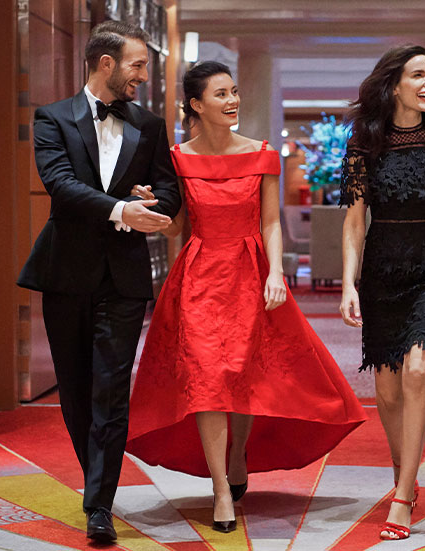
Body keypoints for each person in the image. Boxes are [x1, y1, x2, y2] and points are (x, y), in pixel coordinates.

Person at [125, 61, 367, 534]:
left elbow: (271, 222)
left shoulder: (262, 154)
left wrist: (276, 272)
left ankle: (237, 451)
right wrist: (150, 205)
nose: (233, 101)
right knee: (207, 378)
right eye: (221, 94)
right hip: (197, 277)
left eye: (234, 92)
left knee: (241, 373)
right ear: (196, 105)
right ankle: (220, 488)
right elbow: (177, 226)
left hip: (250, 272)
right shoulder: (178, 158)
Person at [16, 21, 181, 543]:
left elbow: (170, 191)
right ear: (105, 63)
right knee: (76, 391)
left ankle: (99, 506)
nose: (142, 78)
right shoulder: (52, 118)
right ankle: (96, 482)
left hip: (124, 278)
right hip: (66, 272)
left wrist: (152, 203)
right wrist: (121, 210)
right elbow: (61, 187)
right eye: (136, 67)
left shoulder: (149, 125)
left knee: (112, 389)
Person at [339, 45, 425, 541]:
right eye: (418, 74)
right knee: (387, 388)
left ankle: (401, 493)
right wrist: (348, 283)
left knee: (418, 370)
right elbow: (355, 220)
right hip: (382, 269)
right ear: (392, 84)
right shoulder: (365, 143)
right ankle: (408, 474)